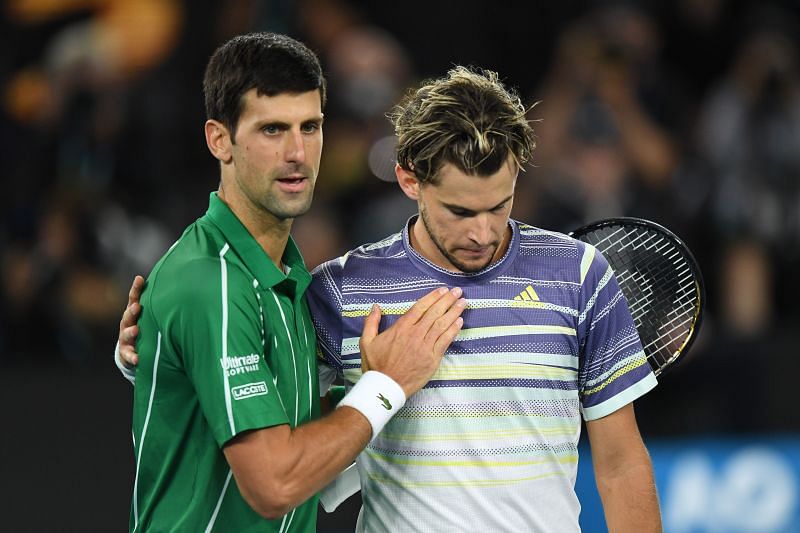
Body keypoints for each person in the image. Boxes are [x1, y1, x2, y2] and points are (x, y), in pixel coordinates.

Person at [119, 64, 661, 531]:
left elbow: (619, 463)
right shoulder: (338, 291)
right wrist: (152, 352)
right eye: (460, 212)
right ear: (409, 180)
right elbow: (260, 411)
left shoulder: (580, 273)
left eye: (500, 205)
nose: (483, 232)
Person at [116, 32, 466, 532]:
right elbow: (275, 485)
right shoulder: (211, 284)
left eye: (311, 126)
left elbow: (313, 469)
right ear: (220, 139)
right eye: (273, 129)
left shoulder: (283, 279)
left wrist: (369, 395)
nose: (298, 153)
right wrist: (386, 386)